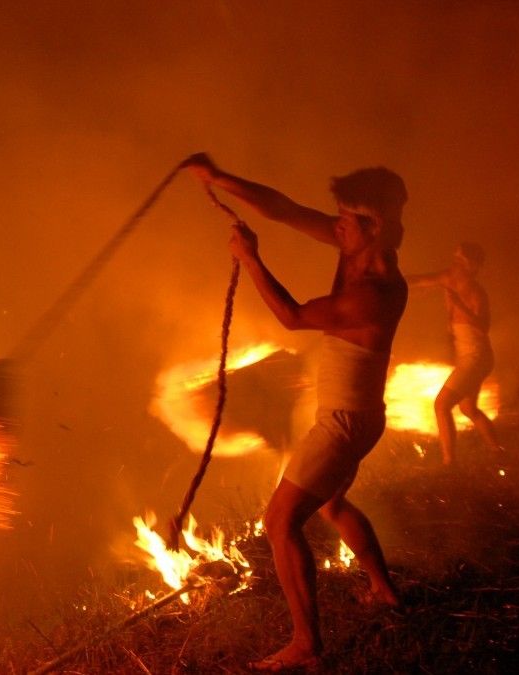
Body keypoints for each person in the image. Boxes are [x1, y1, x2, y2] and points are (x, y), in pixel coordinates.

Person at [183, 153, 405, 671]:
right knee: (330, 505)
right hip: (355, 414)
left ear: (370, 225)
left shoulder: (376, 289)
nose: (335, 225)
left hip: (344, 422)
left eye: (345, 219)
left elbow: (292, 316)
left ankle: (307, 645)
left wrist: (251, 259)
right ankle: (383, 590)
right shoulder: (361, 242)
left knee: (279, 523)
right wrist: (219, 178)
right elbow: (283, 209)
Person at [406, 243, 500, 466]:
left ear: (471, 266)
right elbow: (419, 280)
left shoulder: (477, 292)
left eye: (460, 262)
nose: (454, 265)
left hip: (477, 357)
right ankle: (497, 451)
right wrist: (388, 279)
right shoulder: (449, 278)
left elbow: (483, 326)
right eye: (454, 260)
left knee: (441, 405)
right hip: (470, 356)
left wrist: (460, 306)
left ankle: (449, 463)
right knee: (468, 408)